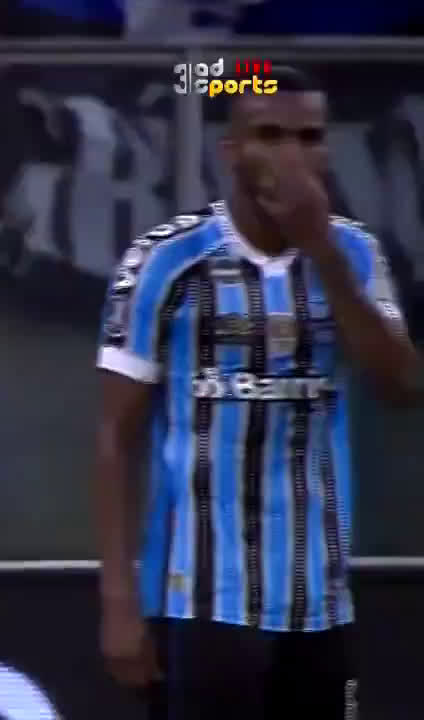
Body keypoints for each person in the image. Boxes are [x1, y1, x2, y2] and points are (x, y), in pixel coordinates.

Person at [92, 67, 421, 719]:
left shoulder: (356, 255)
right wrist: (118, 602)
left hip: (320, 600)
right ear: (232, 150)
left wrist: (321, 251)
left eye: (309, 137)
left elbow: (403, 386)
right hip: (200, 598)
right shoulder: (164, 260)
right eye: (270, 134)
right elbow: (114, 438)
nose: (292, 154)